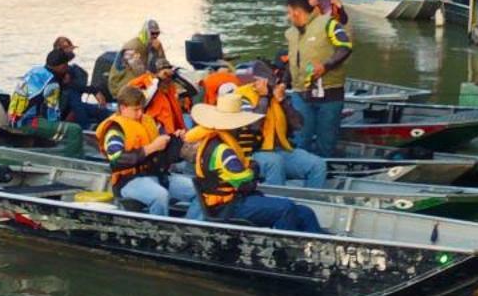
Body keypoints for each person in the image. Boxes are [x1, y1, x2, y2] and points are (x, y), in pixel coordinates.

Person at [184, 94, 324, 232]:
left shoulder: (212, 142)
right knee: (286, 208)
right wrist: (253, 169)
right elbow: (245, 184)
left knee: (305, 212)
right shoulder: (223, 151)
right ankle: (282, 248)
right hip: (230, 206)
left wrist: (251, 170)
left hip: (233, 201)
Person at [95, 85, 197, 217]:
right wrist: (151, 148)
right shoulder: (115, 129)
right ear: (122, 108)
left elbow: (161, 154)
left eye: (142, 109)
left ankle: (188, 228)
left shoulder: (146, 121)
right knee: (160, 195)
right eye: (136, 110)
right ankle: (157, 233)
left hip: (157, 174)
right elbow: (117, 159)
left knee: (198, 191)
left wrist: (176, 141)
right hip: (128, 181)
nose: (140, 113)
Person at [228, 60, 327, 187]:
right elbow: (253, 127)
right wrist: (263, 97)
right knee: (275, 162)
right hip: (252, 152)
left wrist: (283, 101)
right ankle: (278, 203)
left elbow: (298, 125)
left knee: (317, 165)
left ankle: (313, 201)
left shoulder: (277, 95)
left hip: (279, 150)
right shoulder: (243, 97)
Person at [283, 0, 352, 156]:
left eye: (288, 12)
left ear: (296, 12)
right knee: (300, 139)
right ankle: (302, 173)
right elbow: (293, 59)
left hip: (329, 92)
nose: (288, 16)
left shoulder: (328, 24)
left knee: (326, 141)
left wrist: (325, 66)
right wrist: (282, 82)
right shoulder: (290, 33)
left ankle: (326, 171)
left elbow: (345, 47)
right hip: (301, 94)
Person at [124, 62, 188, 139]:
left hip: (175, 133)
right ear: (153, 73)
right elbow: (144, 100)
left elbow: (192, 91)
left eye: (168, 75)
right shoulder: (144, 83)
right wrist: (158, 79)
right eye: (165, 74)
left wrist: (178, 75)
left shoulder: (170, 86)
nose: (167, 78)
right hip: (155, 132)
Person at [112, 19, 169, 91]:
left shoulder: (151, 46)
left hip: (138, 82)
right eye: (152, 33)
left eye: (157, 33)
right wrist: (158, 76)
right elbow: (140, 72)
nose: (155, 36)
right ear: (146, 33)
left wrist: (158, 51)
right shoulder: (132, 48)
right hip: (121, 86)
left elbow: (163, 67)